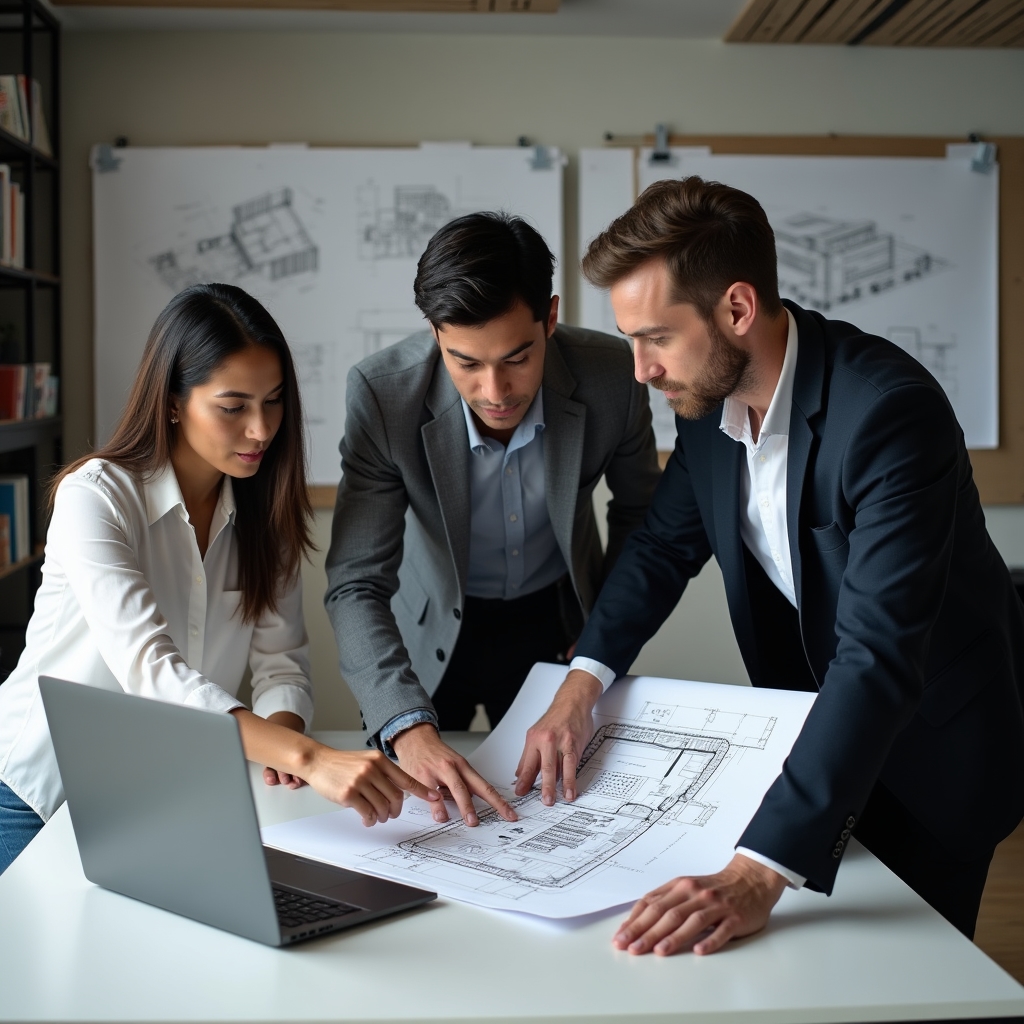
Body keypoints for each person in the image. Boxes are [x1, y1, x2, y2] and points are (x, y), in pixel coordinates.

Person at [515, 177, 1024, 952]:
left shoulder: (890, 413)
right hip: (812, 738)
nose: (641, 369)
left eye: (656, 338)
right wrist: (581, 683)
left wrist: (759, 872)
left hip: (933, 753)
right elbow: (661, 549)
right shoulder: (705, 407)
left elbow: (877, 653)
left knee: (908, 981)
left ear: (737, 310)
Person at [0, 283, 435, 874]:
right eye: (233, 407)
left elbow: (282, 663)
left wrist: (282, 737)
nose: (261, 429)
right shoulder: (95, 497)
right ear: (173, 403)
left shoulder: (264, 516)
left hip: (161, 791)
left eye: (274, 401)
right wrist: (309, 757)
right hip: (39, 793)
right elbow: (150, 669)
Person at [325, 212, 661, 828]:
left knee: (559, 813)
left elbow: (641, 517)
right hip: (425, 639)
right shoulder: (382, 394)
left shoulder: (614, 376)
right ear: (435, 334)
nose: (495, 391)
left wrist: (600, 638)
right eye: (466, 363)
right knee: (428, 823)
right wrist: (404, 724)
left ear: (550, 318)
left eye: (517, 358)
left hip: (556, 626)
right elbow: (355, 582)